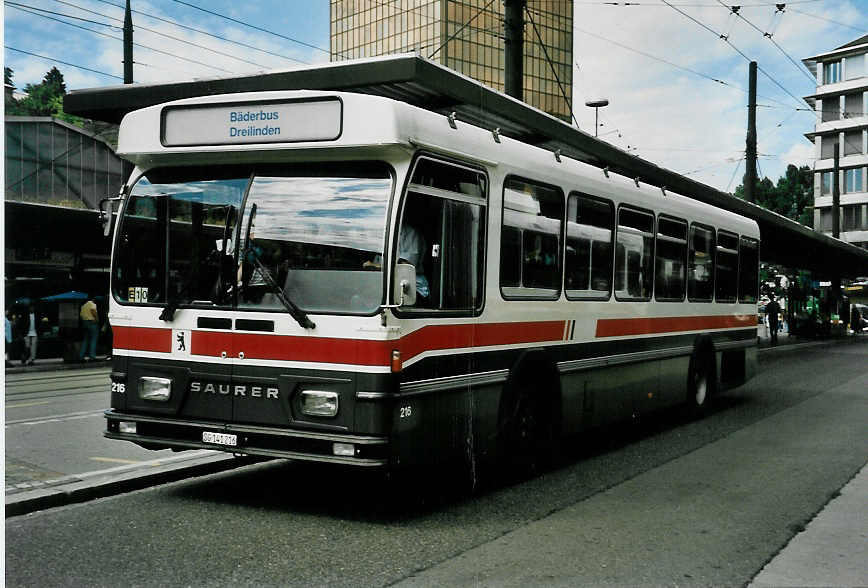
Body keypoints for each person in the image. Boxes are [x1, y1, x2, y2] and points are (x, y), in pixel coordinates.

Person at [79, 297, 99, 361]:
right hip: (92, 322)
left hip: (85, 323)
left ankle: (81, 356)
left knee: (85, 340)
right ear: (93, 299)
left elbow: (81, 315)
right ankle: (92, 356)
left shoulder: (83, 306)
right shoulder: (92, 304)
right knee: (93, 340)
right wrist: (97, 319)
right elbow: (93, 311)